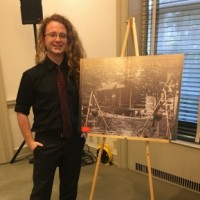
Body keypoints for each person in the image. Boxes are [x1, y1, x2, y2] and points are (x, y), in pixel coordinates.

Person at [15, 14, 86, 200]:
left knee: (70, 190)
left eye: (63, 35)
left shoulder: (77, 73)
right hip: (46, 144)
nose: (58, 39)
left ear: (68, 40)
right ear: (43, 40)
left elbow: (85, 106)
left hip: (74, 143)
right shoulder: (31, 76)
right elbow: (21, 111)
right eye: (52, 35)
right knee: (41, 192)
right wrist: (30, 142)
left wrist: (85, 130)